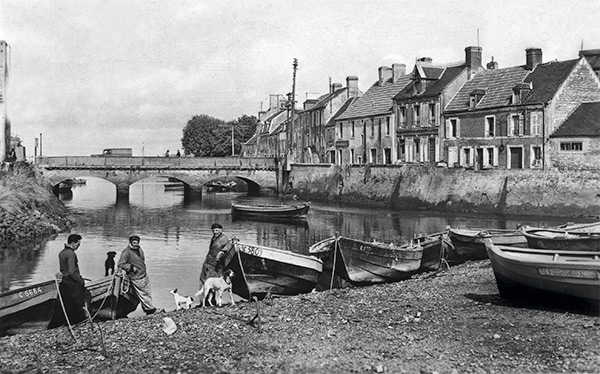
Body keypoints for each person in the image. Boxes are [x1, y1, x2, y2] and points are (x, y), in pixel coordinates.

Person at [48, 234, 92, 328]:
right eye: (78, 244)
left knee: (66, 302)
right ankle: (82, 319)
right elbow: (72, 271)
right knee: (85, 296)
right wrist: (80, 280)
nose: (79, 246)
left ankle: (66, 321)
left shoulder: (62, 252)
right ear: (73, 243)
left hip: (64, 281)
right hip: (72, 281)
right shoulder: (71, 254)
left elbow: (63, 268)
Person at [117, 235, 163, 315]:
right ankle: (150, 310)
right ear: (130, 242)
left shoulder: (139, 249)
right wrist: (131, 268)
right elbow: (121, 264)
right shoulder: (126, 252)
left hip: (143, 274)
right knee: (144, 293)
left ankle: (147, 308)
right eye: (134, 242)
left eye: (137, 242)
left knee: (147, 293)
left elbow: (142, 259)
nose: (136, 244)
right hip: (136, 277)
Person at [199, 223, 233, 289]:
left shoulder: (223, 238)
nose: (214, 232)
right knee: (203, 278)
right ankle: (202, 297)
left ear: (221, 230)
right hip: (208, 261)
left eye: (216, 230)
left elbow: (229, 245)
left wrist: (221, 251)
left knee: (212, 280)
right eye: (213, 231)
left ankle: (212, 298)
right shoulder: (214, 238)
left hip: (215, 263)